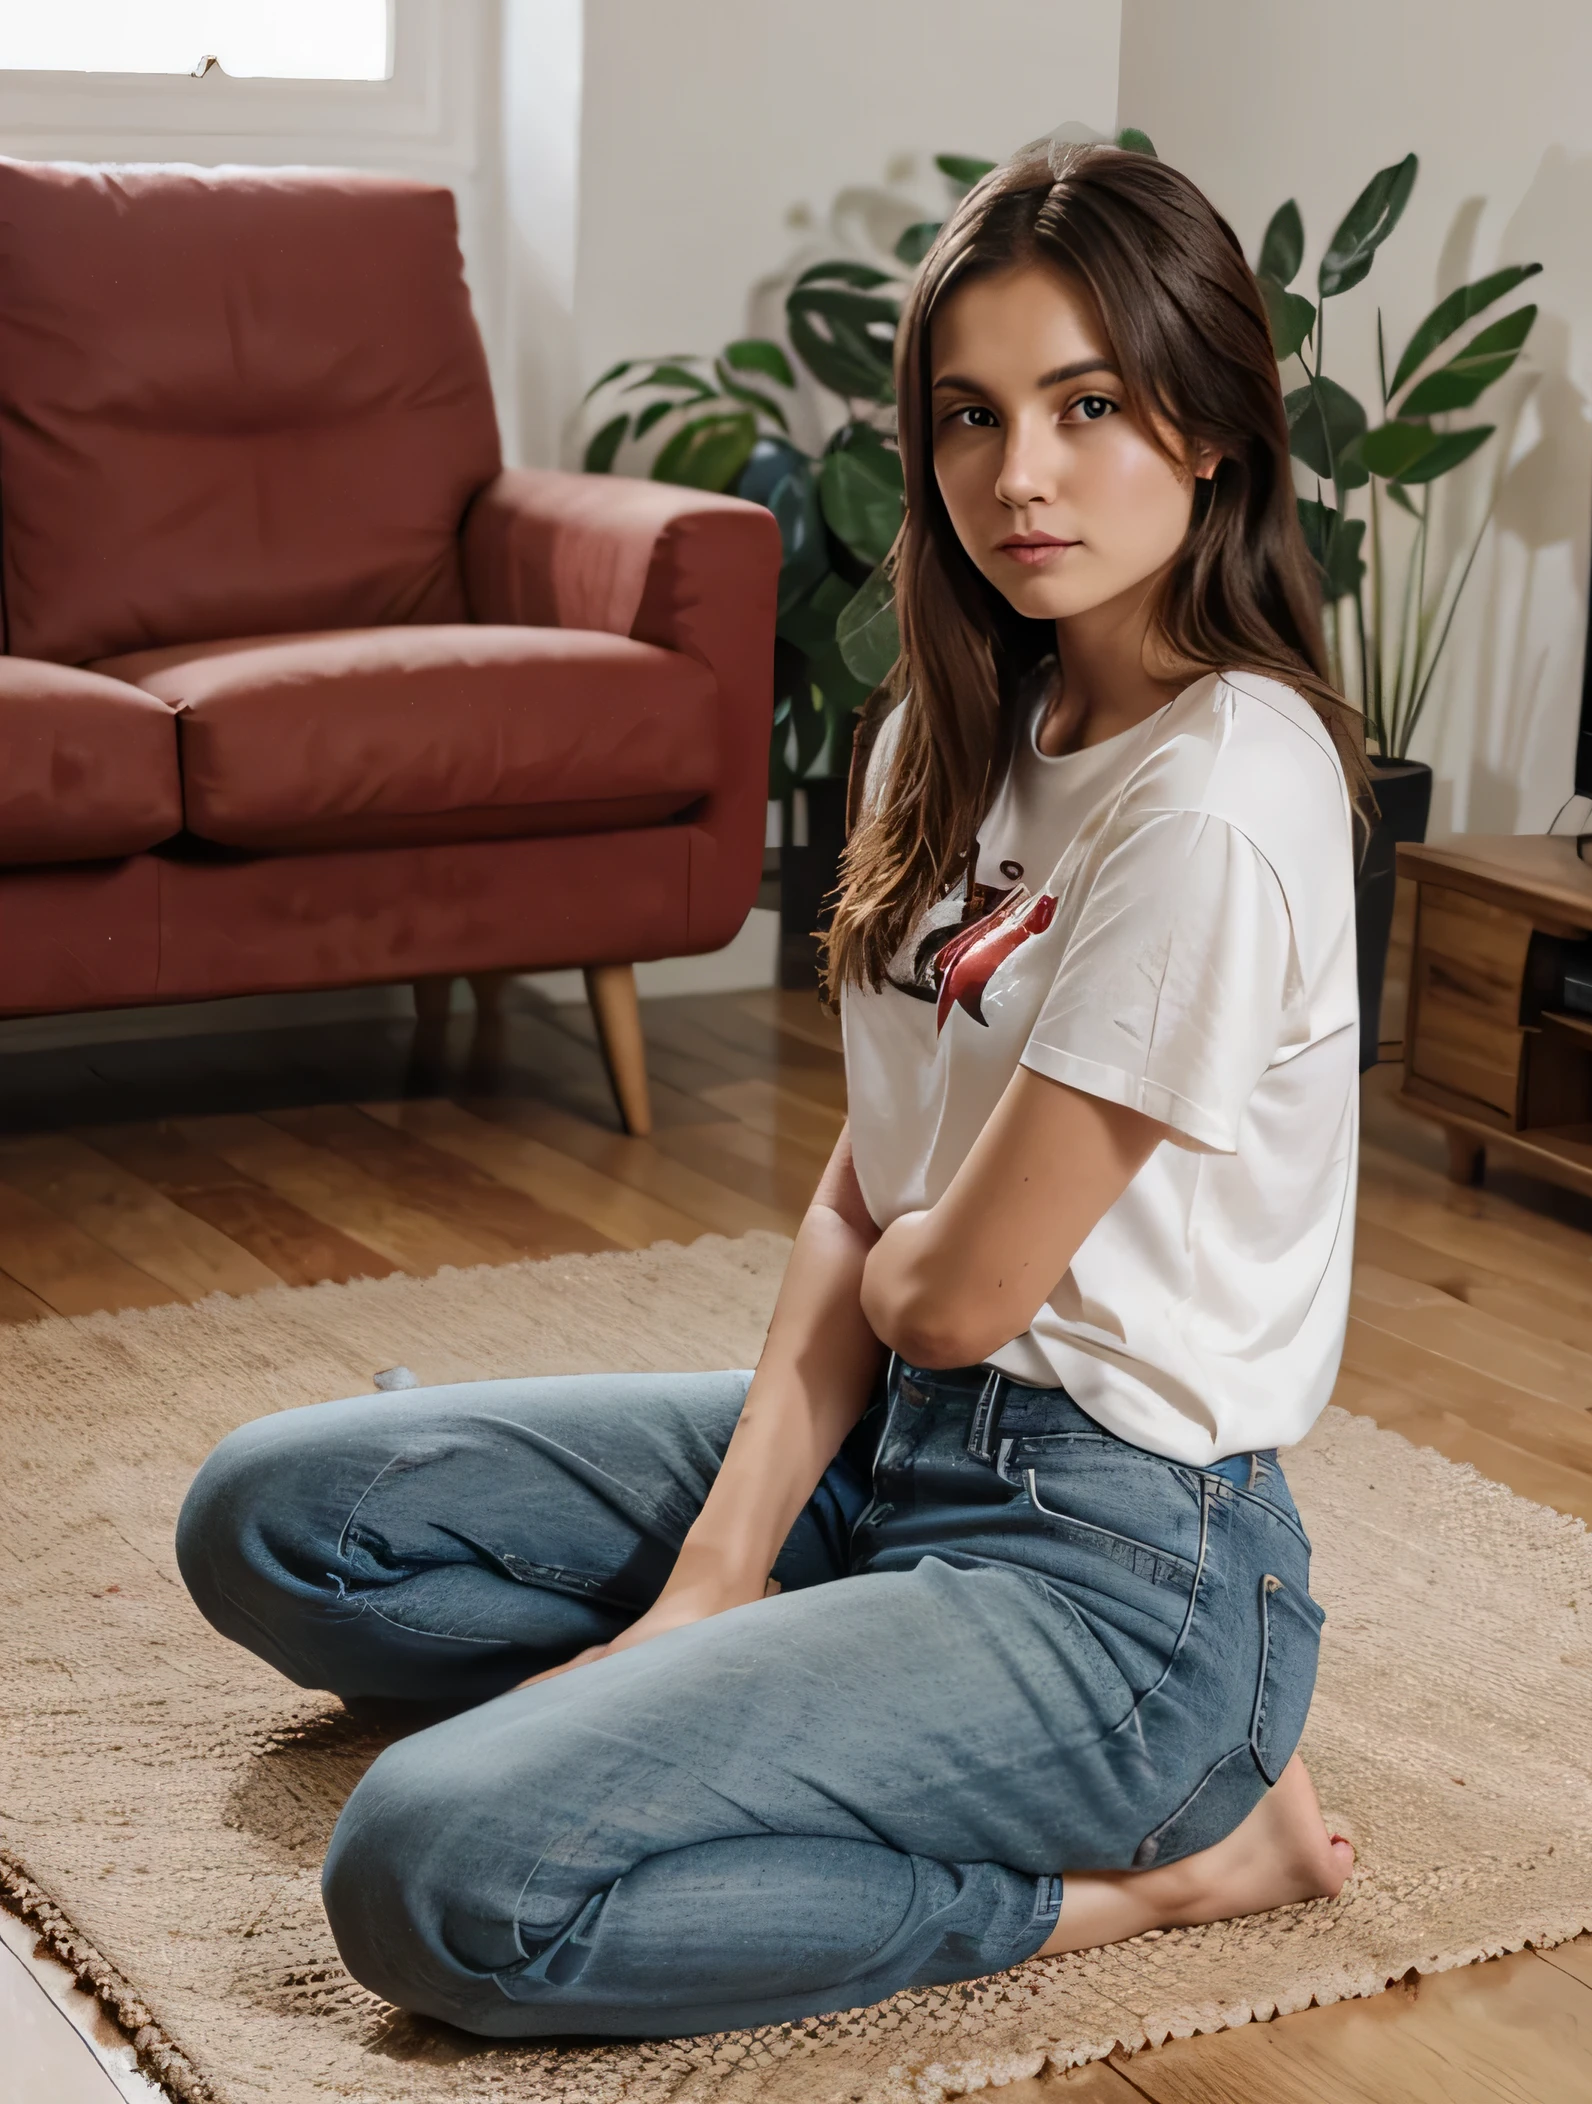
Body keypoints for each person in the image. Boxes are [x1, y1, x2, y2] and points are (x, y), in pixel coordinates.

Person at [176, 140, 1364, 2042]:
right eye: (969, 416)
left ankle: (1163, 1867)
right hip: (885, 1457)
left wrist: (908, 1287)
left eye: (1087, 406)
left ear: (1209, 426)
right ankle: (769, 1674)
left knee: (436, 1873)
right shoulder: (949, 731)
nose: (1020, 476)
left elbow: (948, 1289)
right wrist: (711, 1579)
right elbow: (868, 1183)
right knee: (277, 1521)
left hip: (1122, 1578)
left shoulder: (1224, 798)